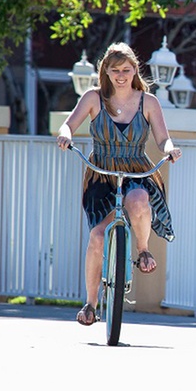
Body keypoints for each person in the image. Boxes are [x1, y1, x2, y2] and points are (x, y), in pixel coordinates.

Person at [57, 42, 182, 326]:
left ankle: (142, 248)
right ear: (106, 72)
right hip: (101, 172)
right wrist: (65, 136)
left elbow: (163, 138)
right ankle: (90, 303)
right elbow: (69, 124)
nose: (121, 76)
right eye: (115, 71)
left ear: (135, 70)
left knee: (138, 200)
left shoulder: (148, 101)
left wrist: (170, 150)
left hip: (136, 170)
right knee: (97, 237)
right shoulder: (93, 97)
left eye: (126, 70)